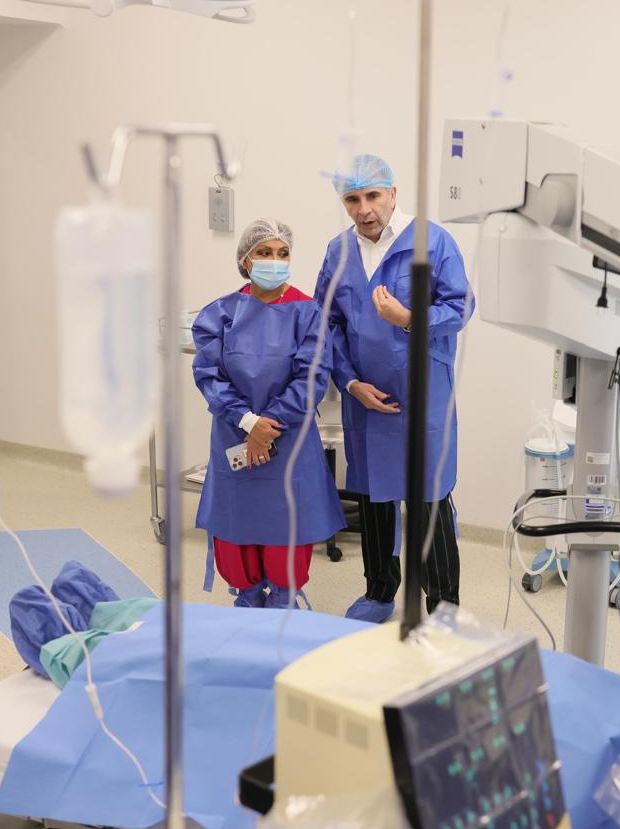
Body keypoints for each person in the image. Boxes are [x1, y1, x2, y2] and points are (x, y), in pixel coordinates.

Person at [315, 154, 472, 624]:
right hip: (365, 398)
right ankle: (380, 591)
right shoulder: (338, 252)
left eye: (373, 196)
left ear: (393, 194)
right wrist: (348, 382)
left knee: (429, 498)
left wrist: (408, 318)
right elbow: (327, 324)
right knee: (373, 496)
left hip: (421, 394)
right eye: (352, 199)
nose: (364, 209)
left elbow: (460, 307)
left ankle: (443, 607)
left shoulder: (431, 242)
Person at [192, 219, 345, 609]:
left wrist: (267, 426)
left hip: (288, 441)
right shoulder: (220, 315)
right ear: (245, 260)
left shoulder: (308, 313)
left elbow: (311, 378)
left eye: (282, 253)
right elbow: (209, 375)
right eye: (264, 252)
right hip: (235, 436)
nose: (274, 261)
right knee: (236, 529)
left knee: (286, 530)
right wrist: (248, 423)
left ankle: (282, 605)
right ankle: (246, 603)